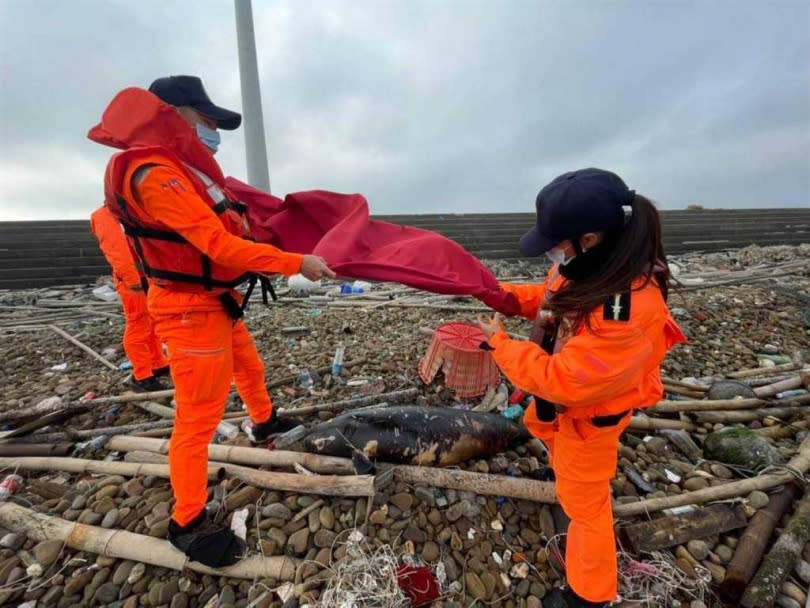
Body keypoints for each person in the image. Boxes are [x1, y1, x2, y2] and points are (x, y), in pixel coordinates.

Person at [88, 75, 335, 567]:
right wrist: (294, 262)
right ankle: (188, 522)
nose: (211, 130)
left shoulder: (180, 168)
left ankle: (264, 421)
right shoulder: (155, 175)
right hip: (187, 309)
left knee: (249, 366)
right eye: (205, 120)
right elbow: (217, 244)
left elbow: (232, 219)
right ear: (173, 113)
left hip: (213, 298)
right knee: (198, 419)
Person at [477, 168, 685, 608]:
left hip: (590, 419)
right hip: (565, 411)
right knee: (547, 432)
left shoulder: (628, 308)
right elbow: (553, 295)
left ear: (588, 238)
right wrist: (502, 296)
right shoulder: (599, 262)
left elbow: (564, 380)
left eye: (555, 246)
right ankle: (562, 470)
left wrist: (500, 343)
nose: (551, 256)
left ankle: (589, 595)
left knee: (587, 507)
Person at [90, 205, 169, 392]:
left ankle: (157, 363)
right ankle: (142, 376)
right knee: (139, 324)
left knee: (150, 322)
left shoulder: (125, 212)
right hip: (134, 281)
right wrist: (133, 279)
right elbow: (116, 250)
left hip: (146, 277)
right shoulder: (107, 216)